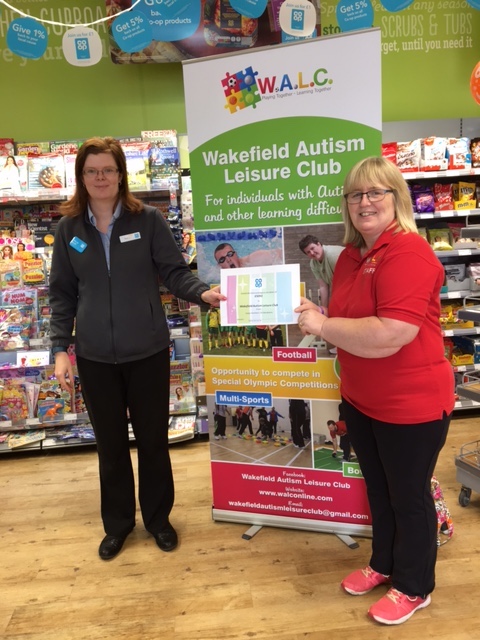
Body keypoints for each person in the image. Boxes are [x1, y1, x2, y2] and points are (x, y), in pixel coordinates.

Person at [49, 137, 225, 562]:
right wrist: (60, 350)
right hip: (94, 356)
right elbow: (62, 294)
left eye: (108, 170)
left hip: (147, 351)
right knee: (110, 446)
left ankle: (159, 520)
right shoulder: (69, 230)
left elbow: (174, 272)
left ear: (121, 174)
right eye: (92, 171)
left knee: (152, 441)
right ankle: (118, 525)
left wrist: (203, 293)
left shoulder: (147, 220)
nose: (101, 178)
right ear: (81, 177)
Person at [296, 156, 454, 626]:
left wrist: (323, 326)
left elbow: (392, 333)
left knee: (408, 496)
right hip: (361, 399)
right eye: (355, 194)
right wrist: (315, 315)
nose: (364, 202)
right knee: (380, 491)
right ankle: (383, 562)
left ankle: (414, 585)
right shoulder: (349, 256)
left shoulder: (409, 252)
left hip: (411, 404)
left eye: (375, 192)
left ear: (396, 198)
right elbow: (348, 320)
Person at [298, 234, 343, 307]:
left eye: (312, 248)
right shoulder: (313, 263)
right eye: (308, 252)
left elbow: (341, 283)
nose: (312, 253)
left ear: (318, 244)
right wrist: (324, 309)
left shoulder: (332, 255)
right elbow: (323, 286)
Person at [214, 242, 282, 270]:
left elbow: (281, 254)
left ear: (236, 254)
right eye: (222, 259)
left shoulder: (253, 260)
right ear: (219, 265)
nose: (228, 260)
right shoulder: (216, 276)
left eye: (229, 254)